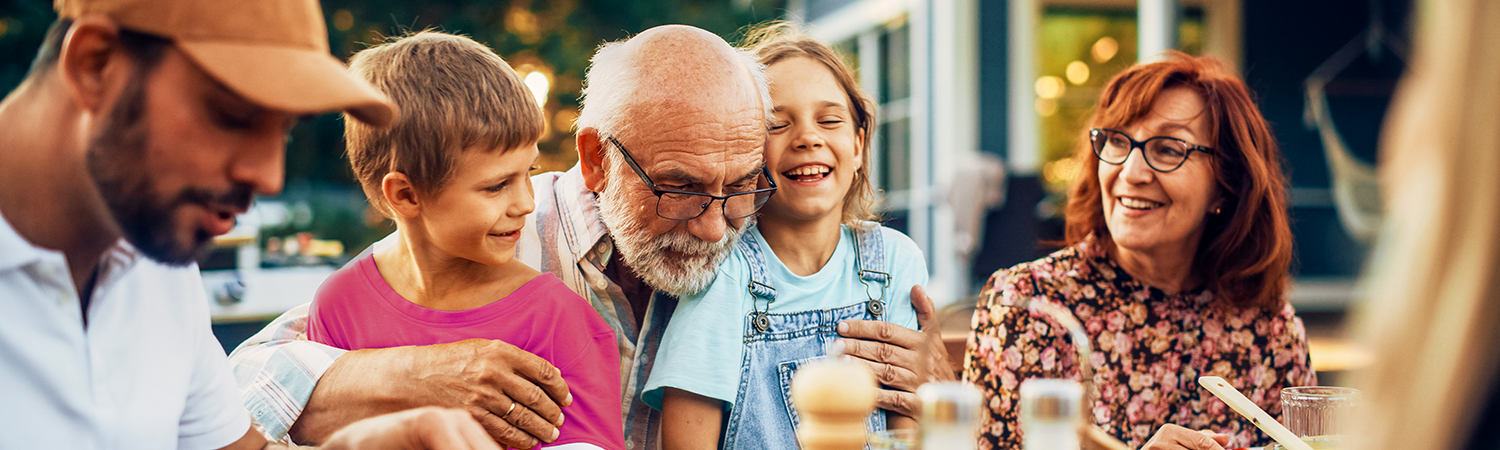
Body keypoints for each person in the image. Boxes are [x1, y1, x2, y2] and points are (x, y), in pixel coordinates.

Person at [228, 24, 958, 450]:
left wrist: (934, 390)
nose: (714, 224)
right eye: (678, 187)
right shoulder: (498, 236)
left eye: (740, 186)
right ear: (595, 159)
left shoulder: (766, 242)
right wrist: (414, 376)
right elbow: (246, 384)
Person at [0, 0, 503, 448]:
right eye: (233, 117)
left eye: (282, 131)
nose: (267, 176)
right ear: (94, 65)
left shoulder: (155, 258)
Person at [963, 51, 1316, 450]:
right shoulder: (1028, 304)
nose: (1130, 173)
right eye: (1116, 141)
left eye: (1168, 149)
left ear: (1225, 183)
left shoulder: (1269, 332)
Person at [304, 32, 624, 450]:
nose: (526, 202)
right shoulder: (337, 305)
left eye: (528, 172)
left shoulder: (557, 319)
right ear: (405, 195)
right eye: (496, 186)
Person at [645, 23, 927, 450]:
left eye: (829, 120)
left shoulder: (894, 261)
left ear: (858, 142)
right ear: (745, 154)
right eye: (777, 125)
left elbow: (908, 428)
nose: (808, 138)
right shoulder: (725, 275)